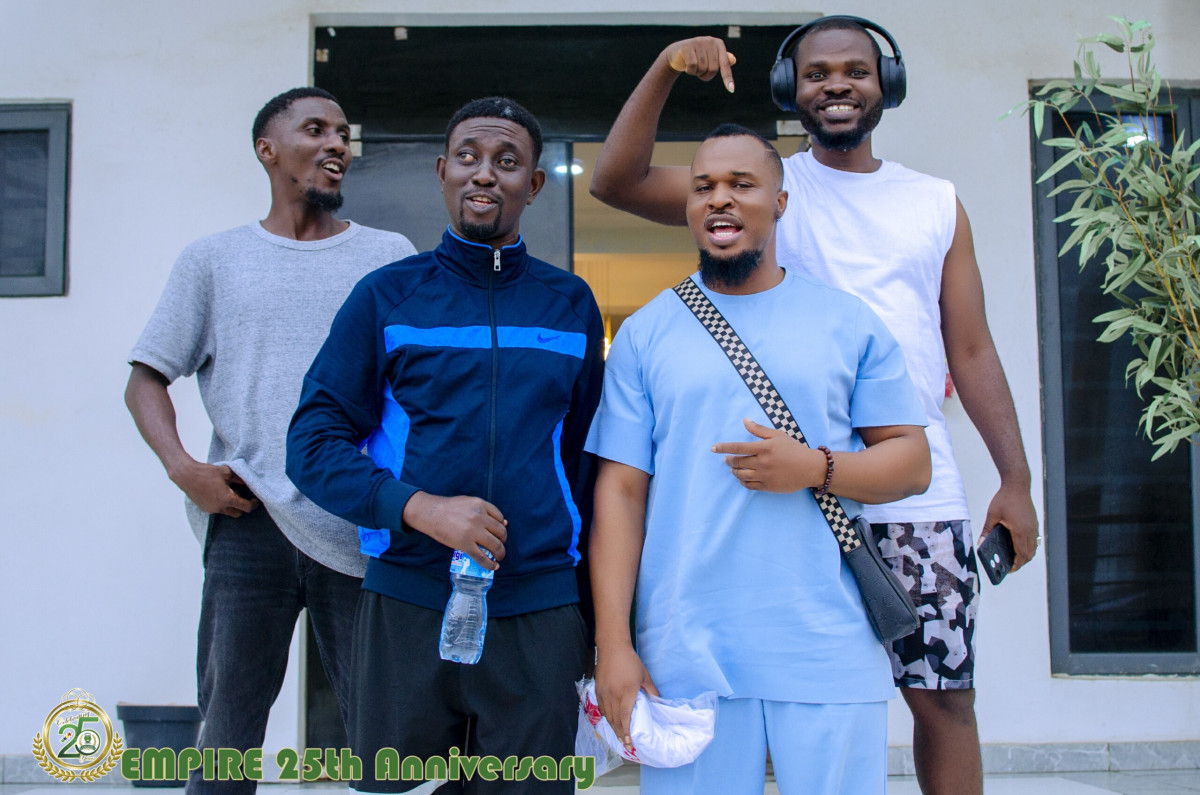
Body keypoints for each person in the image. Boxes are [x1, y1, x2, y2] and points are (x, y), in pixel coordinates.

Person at [587, 18, 1040, 795]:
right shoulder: (759, 182)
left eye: (856, 70)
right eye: (817, 72)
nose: (837, 84)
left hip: (914, 490)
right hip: (788, 505)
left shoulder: (935, 202)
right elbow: (617, 181)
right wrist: (666, 67)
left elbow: (971, 350)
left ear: (885, 83)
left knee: (944, 701)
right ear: (787, 89)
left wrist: (1016, 478)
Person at [587, 124, 931, 794]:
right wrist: (615, 643)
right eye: (703, 187)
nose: (720, 198)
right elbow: (620, 495)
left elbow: (913, 463)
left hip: (827, 646)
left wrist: (816, 469)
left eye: (741, 185)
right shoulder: (645, 334)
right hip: (686, 652)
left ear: (779, 202)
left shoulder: (846, 320)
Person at [286, 97, 605, 794]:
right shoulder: (386, 297)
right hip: (408, 603)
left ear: (534, 185)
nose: (484, 174)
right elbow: (310, 443)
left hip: (539, 610)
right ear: (442, 172)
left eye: (507, 161)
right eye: (468, 157)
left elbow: (591, 469)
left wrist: (600, 619)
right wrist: (418, 508)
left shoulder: (570, 305)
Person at [125, 86, 416, 794]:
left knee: (386, 739)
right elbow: (145, 379)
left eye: (343, 133)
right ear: (267, 149)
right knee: (226, 735)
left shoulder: (389, 257)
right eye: (315, 129)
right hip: (246, 517)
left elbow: (420, 388)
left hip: (358, 517)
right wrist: (183, 467)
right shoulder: (214, 260)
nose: (336, 144)